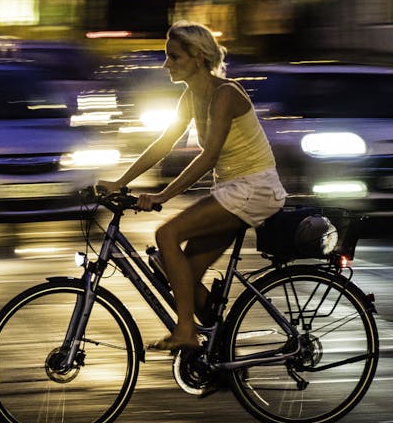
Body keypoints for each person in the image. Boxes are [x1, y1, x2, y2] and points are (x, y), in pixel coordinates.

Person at [97, 21, 287, 351]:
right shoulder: (191, 96)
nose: (166, 64)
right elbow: (164, 143)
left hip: (254, 188)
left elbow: (209, 156)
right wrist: (119, 182)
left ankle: (186, 332)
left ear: (198, 57)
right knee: (181, 273)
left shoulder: (225, 94)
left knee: (166, 235)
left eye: (174, 56)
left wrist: (162, 195)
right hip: (233, 190)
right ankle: (220, 349)